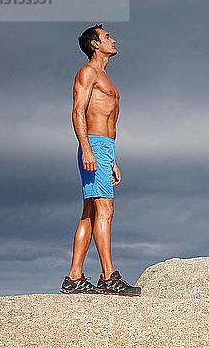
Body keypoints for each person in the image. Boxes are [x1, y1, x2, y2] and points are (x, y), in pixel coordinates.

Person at [60, 24, 140, 296]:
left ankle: (74, 277)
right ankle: (108, 276)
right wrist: (86, 149)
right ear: (95, 45)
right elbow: (78, 112)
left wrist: (112, 159)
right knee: (105, 209)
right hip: (93, 144)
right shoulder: (87, 74)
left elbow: (109, 121)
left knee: (90, 212)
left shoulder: (106, 78)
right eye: (107, 37)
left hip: (105, 148)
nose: (113, 40)